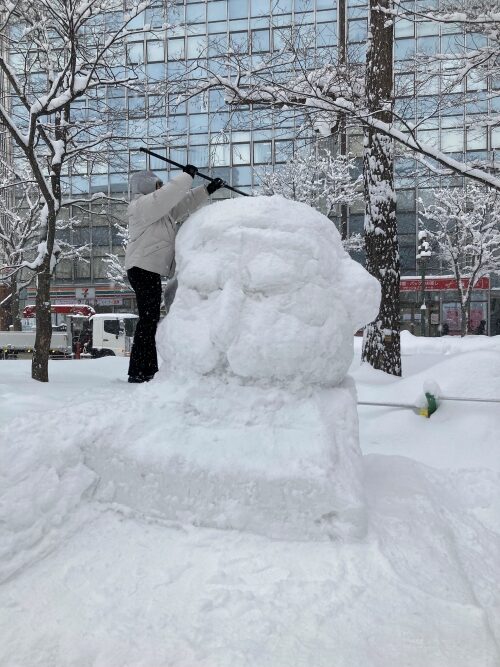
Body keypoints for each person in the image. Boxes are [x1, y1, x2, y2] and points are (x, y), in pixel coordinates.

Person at [125, 165, 224, 383]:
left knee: (149, 319)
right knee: (148, 320)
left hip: (148, 269)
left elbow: (182, 203)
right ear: (146, 187)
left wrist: (207, 189)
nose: (160, 188)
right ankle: (140, 371)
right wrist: (186, 176)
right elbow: (168, 195)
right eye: (156, 185)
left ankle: (143, 369)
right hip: (142, 268)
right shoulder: (141, 206)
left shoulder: (160, 212)